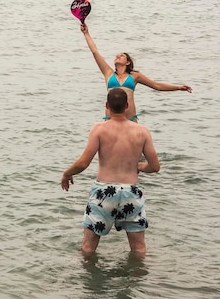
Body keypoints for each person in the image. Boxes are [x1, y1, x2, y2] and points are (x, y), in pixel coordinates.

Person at [61, 88, 161, 257]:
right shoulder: (142, 131)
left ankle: (88, 282)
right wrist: (138, 166)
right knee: (138, 248)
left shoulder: (99, 129)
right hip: (131, 193)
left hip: (104, 193)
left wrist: (66, 173)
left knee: (88, 247)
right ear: (127, 106)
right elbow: (154, 166)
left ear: (107, 105)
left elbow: (84, 162)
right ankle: (137, 280)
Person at [80, 23, 192, 121]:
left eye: (122, 56)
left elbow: (156, 85)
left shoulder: (134, 76)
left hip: (130, 120)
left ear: (128, 62)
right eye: (117, 56)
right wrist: (86, 33)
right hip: (110, 120)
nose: (118, 56)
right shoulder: (108, 73)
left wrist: (178, 87)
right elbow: (94, 51)